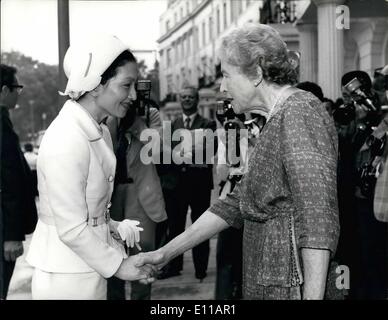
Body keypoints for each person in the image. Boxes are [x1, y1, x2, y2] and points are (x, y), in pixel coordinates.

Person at [146, 23, 340, 300]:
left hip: (289, 286)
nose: (222, 87)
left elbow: (318, 219)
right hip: (270, 279)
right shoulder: (275, 118)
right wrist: (165, 253)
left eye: (226, 75)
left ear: (257, 73)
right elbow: (235, 203)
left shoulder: (299, 112)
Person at [25, 35, 159, 300]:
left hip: (86, 266)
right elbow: (71, 228)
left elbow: (85, 208)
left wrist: (112, 226)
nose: (134, 95)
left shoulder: (97, 130)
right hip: (65, 275)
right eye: (126, 85)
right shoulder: (67, 137)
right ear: (96, 85)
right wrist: (120, 266)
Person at [107, 100, 167, 300]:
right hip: (111, 194)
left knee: (142, 252)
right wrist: (117, 121)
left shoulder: (150, 115)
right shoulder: (108, 115)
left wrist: (138, 125)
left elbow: (157, 150)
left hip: (141, 192)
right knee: (111, 252)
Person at [157, 86, 217, 281]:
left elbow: (208, 151)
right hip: (176, 186)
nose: (187, 100)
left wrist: (180, 153)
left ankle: (201, 268)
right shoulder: (171, 125)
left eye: (191, 97)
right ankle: (174, 266)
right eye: (184, 97)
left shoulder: (208, 124)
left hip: (199, 185)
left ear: (197, 100)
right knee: (175, 228)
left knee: (201, 227)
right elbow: (165, 155)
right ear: (180, 99)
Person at [0, 64, 38, 300]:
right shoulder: (1, 125)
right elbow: (8, 182)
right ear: (4, 90)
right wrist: (11, 235)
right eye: (17, 88)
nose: (18, 92)